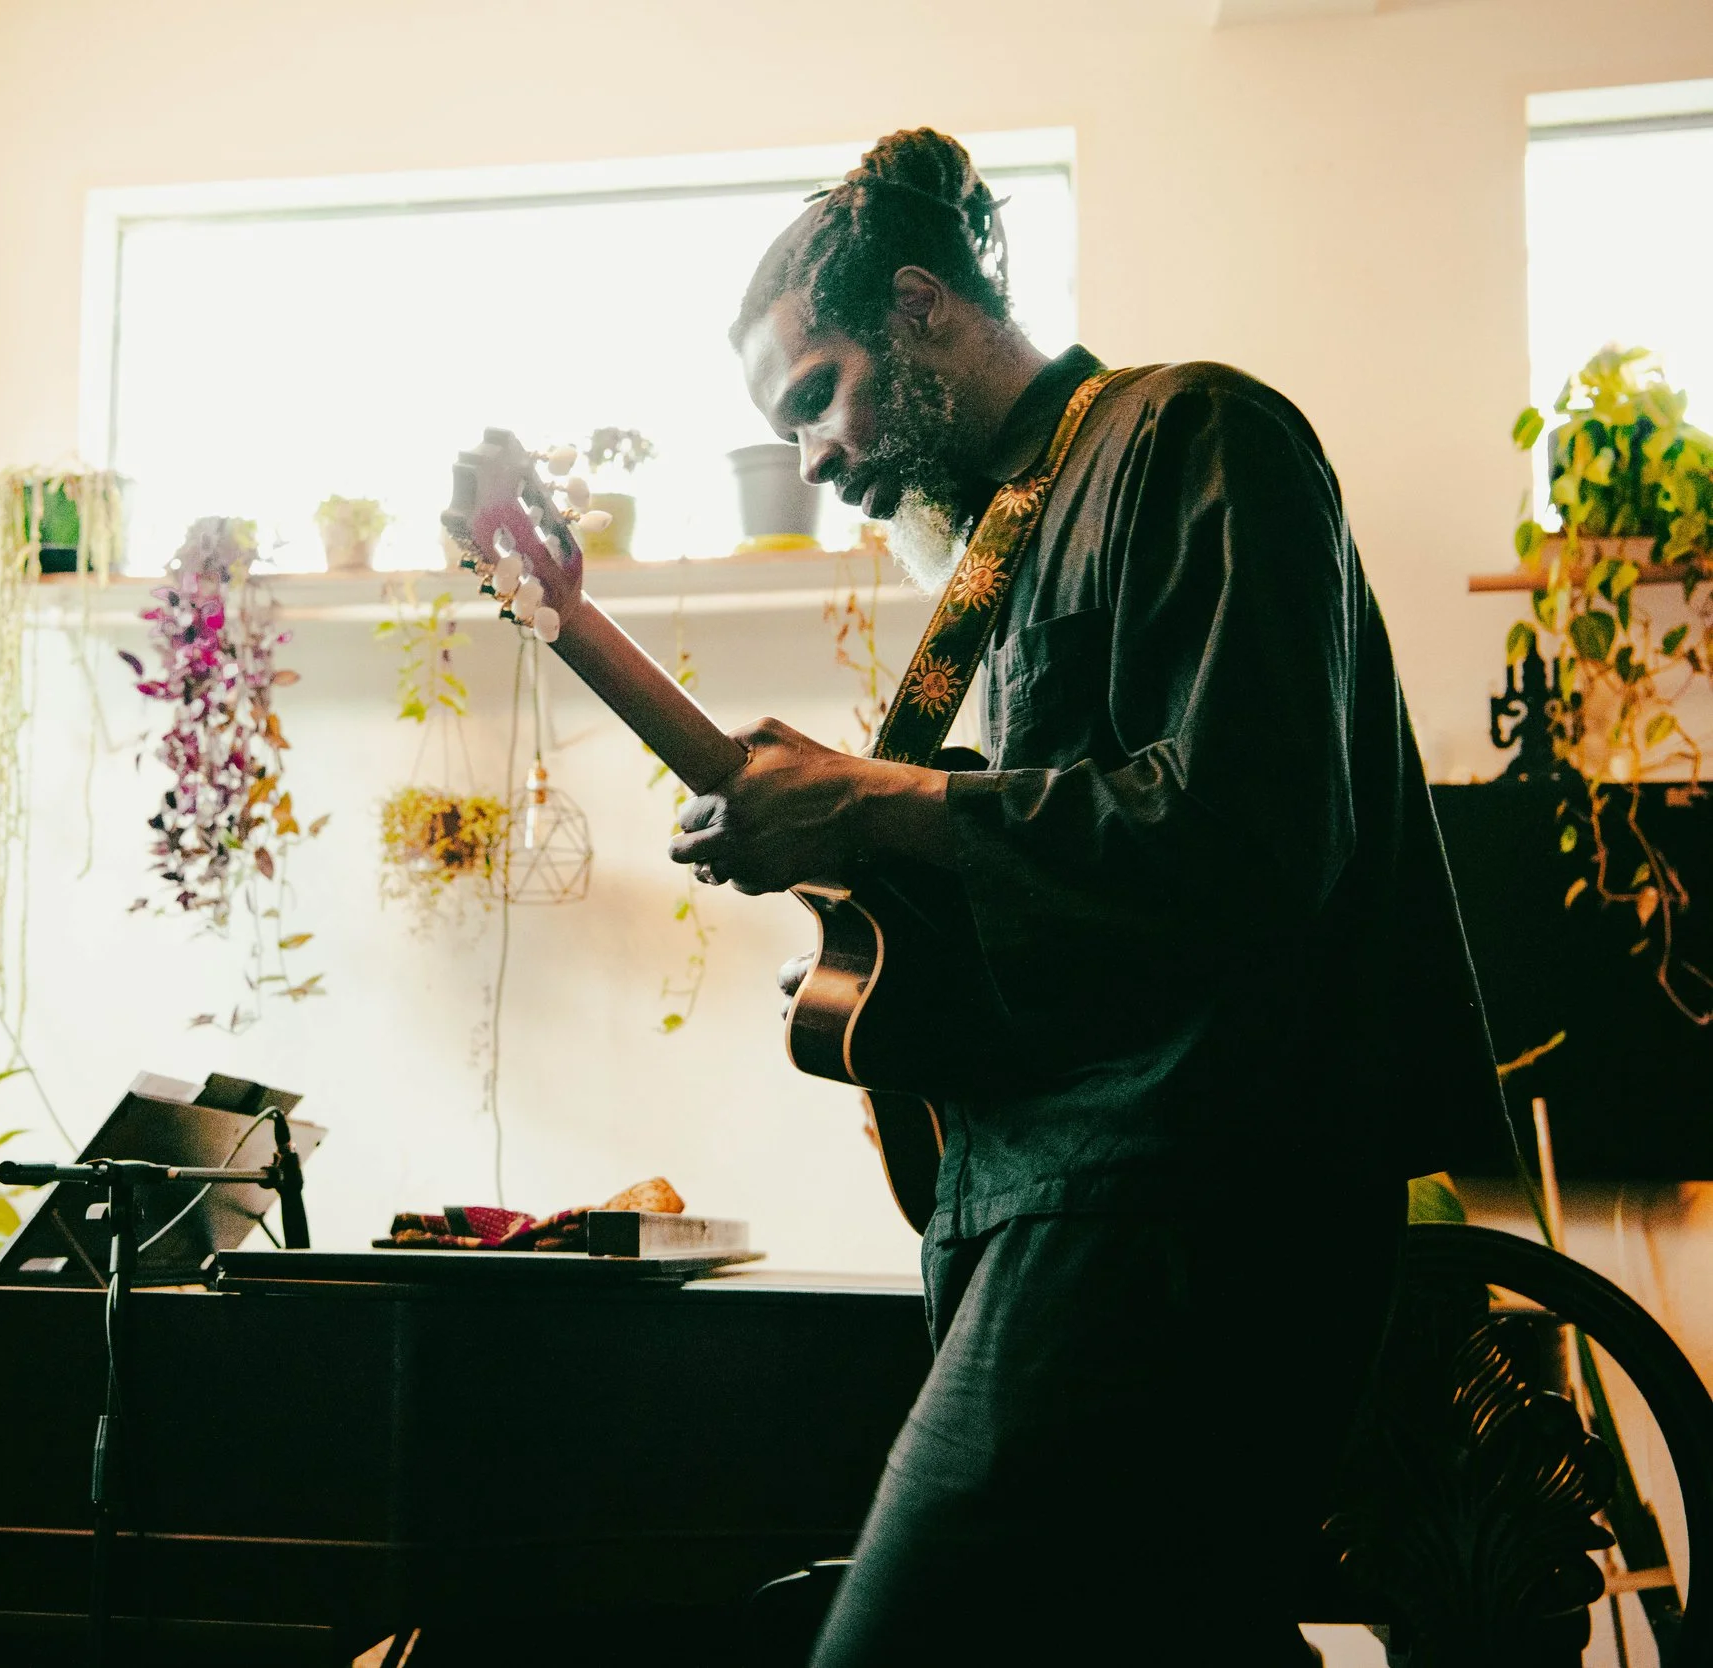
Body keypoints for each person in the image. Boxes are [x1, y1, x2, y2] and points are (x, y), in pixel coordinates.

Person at [668, 129, 1505, 1664]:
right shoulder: (1012, 541)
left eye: (817, 395)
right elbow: (1092, 894)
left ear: (921, 306)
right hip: (1074, 1196)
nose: (817, 460)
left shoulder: (1199, 431)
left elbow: (1248, 838)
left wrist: (867, 797)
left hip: (1181, 1198)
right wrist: (897, 911)